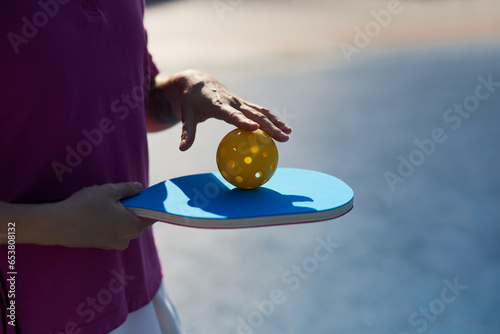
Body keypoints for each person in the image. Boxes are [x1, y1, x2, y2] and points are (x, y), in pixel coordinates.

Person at [0, 1, 291, 333]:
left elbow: (134, 96)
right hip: (30, 312)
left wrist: (185, 87)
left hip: (137, 290)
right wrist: (50, 225)